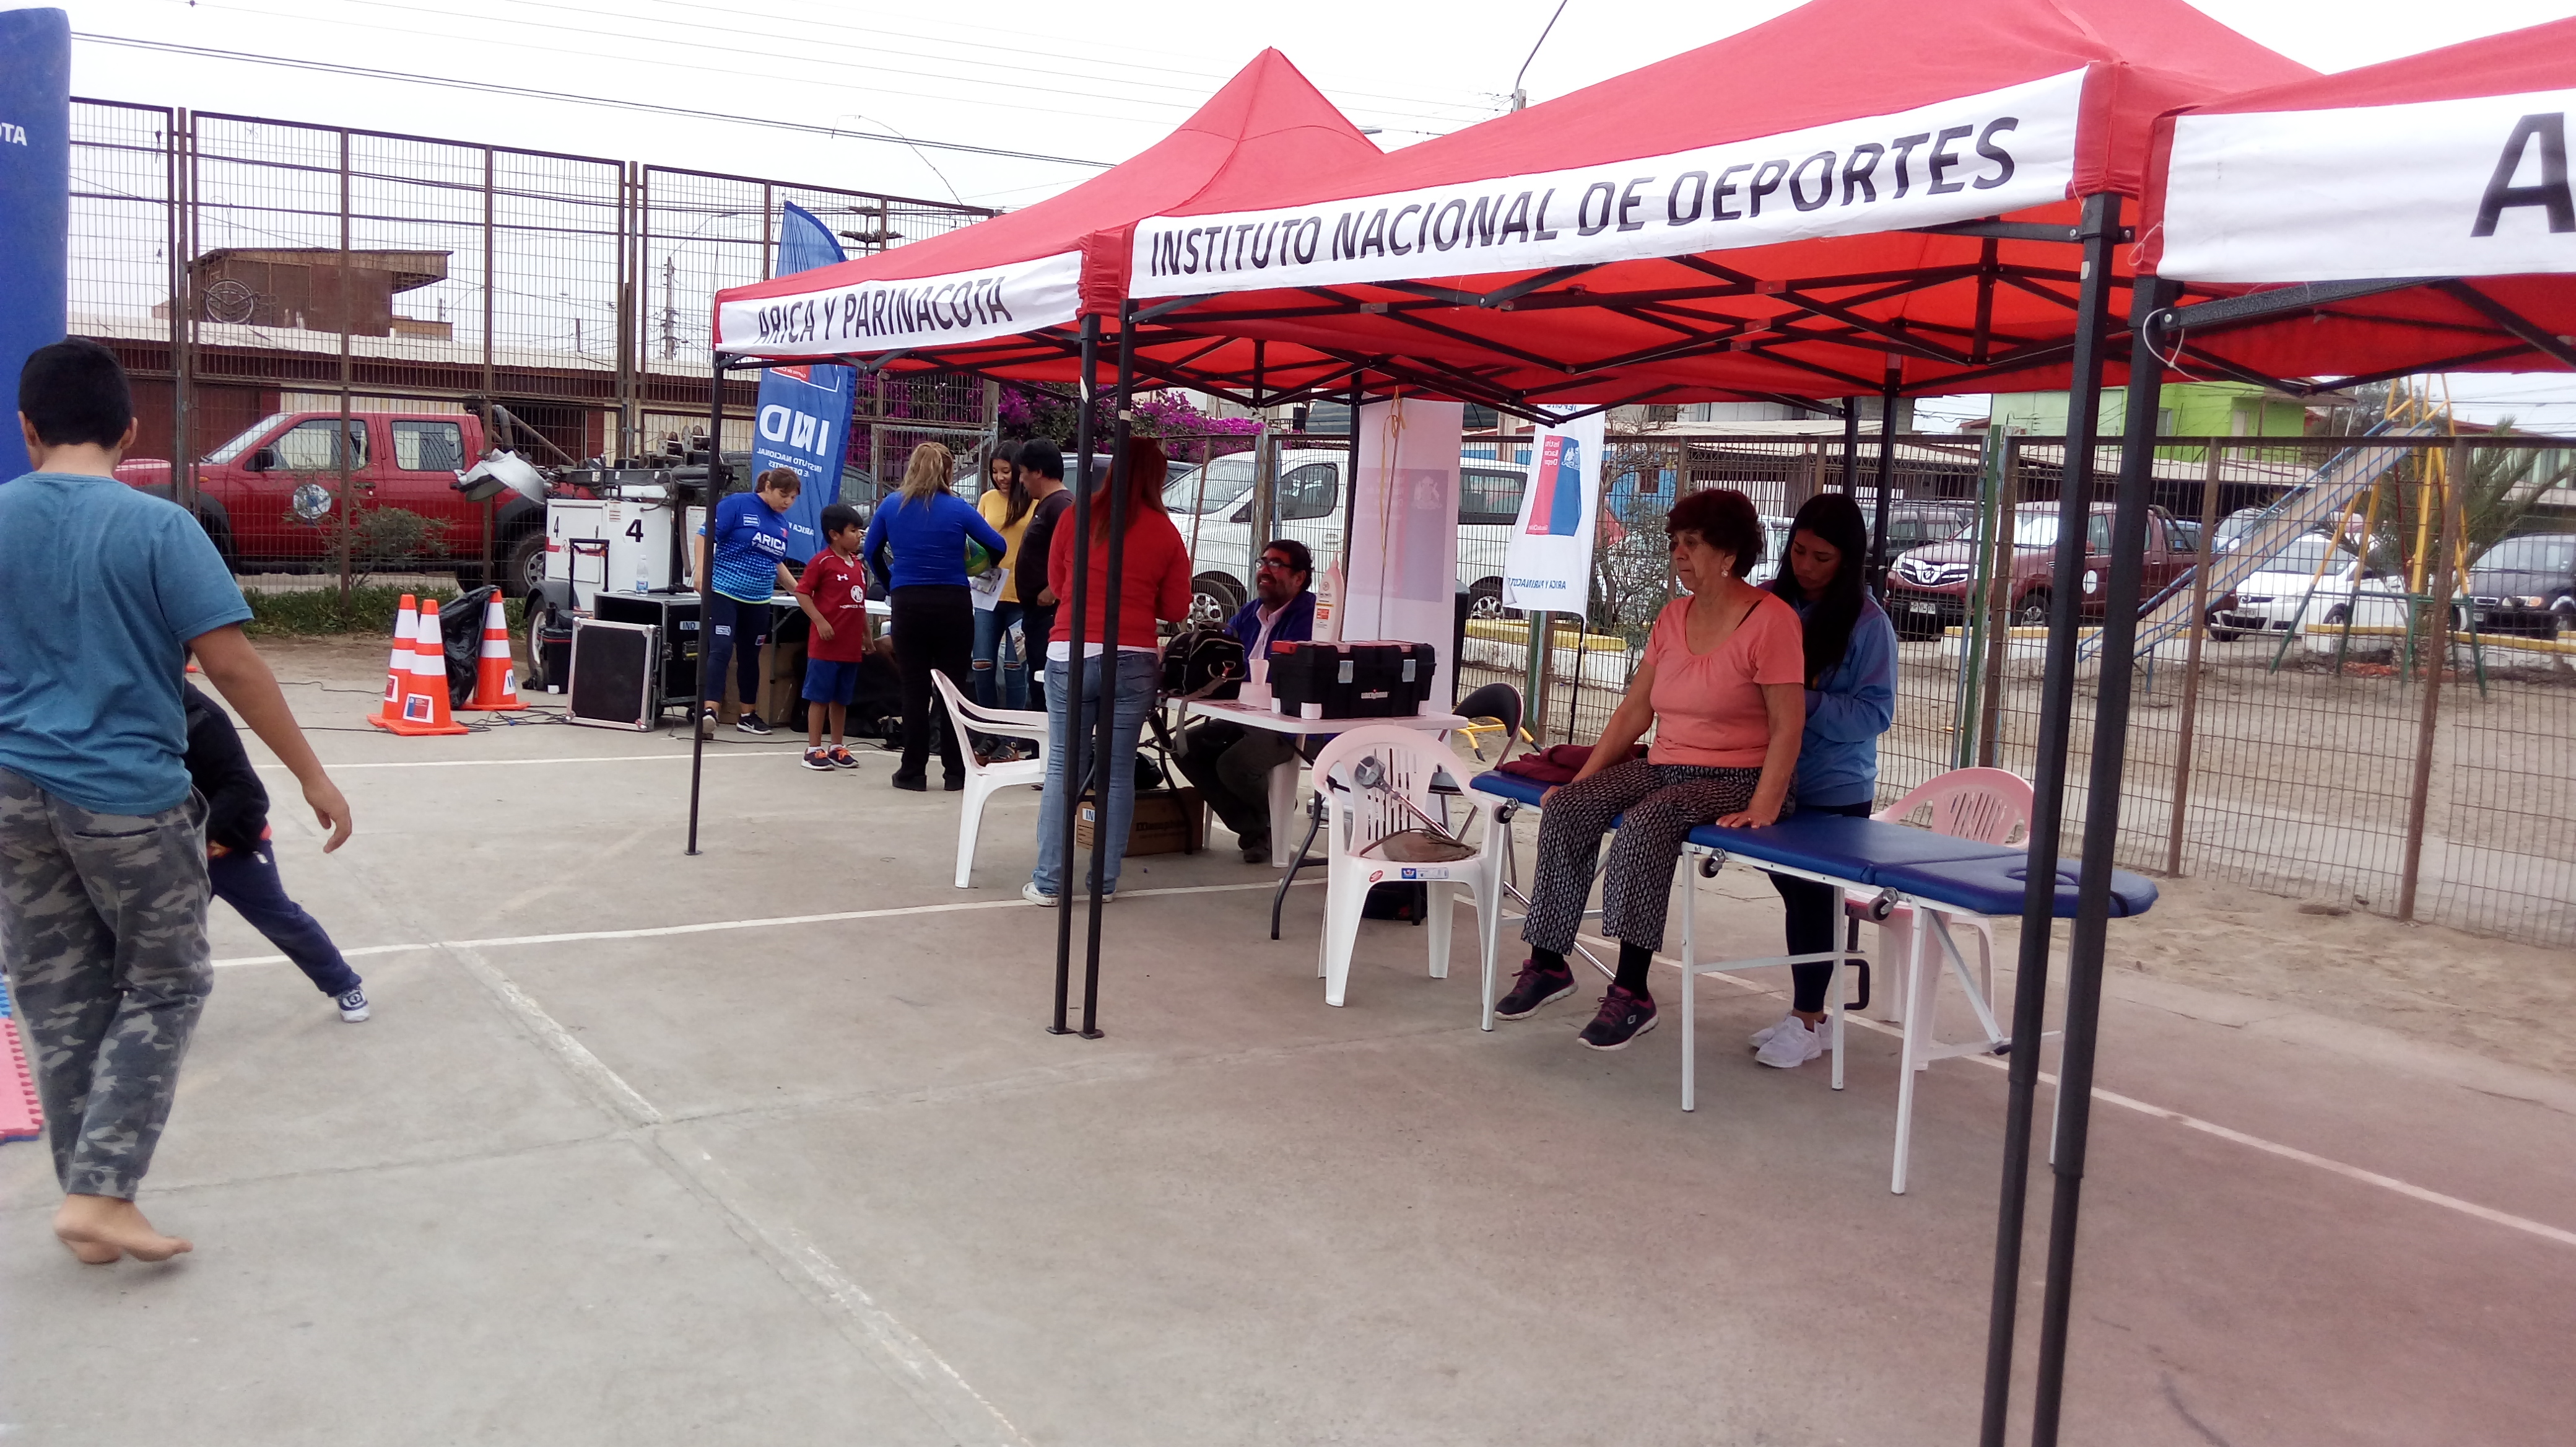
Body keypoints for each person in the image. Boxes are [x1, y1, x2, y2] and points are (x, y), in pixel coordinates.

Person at [1, 338, 354, 1264]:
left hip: (13, 798)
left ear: (27, 428)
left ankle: (90, 1198)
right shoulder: (159, 528)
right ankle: (100, 1194)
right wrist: (311, 774)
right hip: (127, 799)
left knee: (59, 993)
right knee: (167, 984)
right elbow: (231, 665)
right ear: (130, 430)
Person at [1492, 487, 1804, 1051]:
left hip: (1737, 778)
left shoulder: (1772, 621)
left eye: (1693, 543)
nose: (1679, 554)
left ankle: (1632, 991)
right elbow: (1635, 712)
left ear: (1729, 553)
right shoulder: (1673, 616)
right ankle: (1549, 963)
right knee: (1567, 808)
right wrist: (1582, 781)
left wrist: (1764, 805)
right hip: (1665, 764)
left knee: (1645, 826)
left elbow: (1788, 725)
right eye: (1675, 543)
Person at [1748, 494, 1898, 1068]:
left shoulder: (1869, 625)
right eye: (1799, 551)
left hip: (1834, 789)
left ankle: (1807, 1018)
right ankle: (1811, 1016)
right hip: (1768, 778)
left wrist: (1799, 703)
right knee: (1796, 892)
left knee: (1813, 897)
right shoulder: (1767, 601)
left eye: (1822, 557)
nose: (1806, 566)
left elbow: (1874, 714)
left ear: (1849, 560)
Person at [1026, 435, 1191, 906]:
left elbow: (1059, 585)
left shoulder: (1076, 516)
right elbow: (1176, 607)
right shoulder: (1165, 531)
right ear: (1158, 478)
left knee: (1064, 765)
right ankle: (1103, 882)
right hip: (1134, 656)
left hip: (1071, 651)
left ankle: (1049, 882)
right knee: (1117, 772)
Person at [183, 681, 369, 1021]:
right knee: (164, 933)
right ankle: (150, 1007)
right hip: (174, 851)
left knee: (282, 921)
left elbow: (243, 786)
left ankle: (344, 984)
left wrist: (199, 834)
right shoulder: (130, 713)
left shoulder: (202, 717)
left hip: (234, 848)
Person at [859, 441, 1007, 792]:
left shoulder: (892, 505)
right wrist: (980, 565)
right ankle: (955, 771)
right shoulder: (958, 508)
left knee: (914, 688)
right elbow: (998, 545)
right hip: (952, 601)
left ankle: (912, 771)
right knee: (952, 689)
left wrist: (891, 583)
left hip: (909, 601)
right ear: (947, 471)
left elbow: (871, 551)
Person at [1171, 538, 1315, 863]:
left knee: (1234, 764)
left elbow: (1291, 676)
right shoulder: (1251, 612)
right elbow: (1222, 653)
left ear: (1299, 578)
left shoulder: (1310, 616)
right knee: (1183, 748)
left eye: (1276, 564)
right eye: (1262, 562)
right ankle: (1257, 825)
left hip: (1290, 723)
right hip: (1244, 715)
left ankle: (1270, 815)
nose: (1265, 570)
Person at [694, 466, 801, 738]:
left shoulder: (781, 525)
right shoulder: (738, 504)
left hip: (759, 598)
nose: (787, 502)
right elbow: (704, 535)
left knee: (750, 655)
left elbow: (776, 563)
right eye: (783, 495)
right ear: (768, 487)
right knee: (720, 649)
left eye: (793, 498)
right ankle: (709, 711)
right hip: (725, 591)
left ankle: (748, 715)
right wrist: (701, 572)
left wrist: (800, 591)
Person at [794, 502, 872, 772]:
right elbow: (802, 593)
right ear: (835, 534)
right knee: (820, 697)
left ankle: (837, 746)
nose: (859, 535)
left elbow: (859, 604)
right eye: (853, 530)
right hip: (826, 647)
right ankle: (813, 749)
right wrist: (820, 621)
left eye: (860, 530)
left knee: (842, 698)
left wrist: (867, 635)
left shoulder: (858, 566)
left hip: (850, 647)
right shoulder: (822, 562)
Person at [971, 444, 1033, 751]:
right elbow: (974, 541)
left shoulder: (1034, 502)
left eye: (1006, 471)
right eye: (995, 472)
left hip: (1022, 598)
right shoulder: (987, 500)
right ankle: (989, 731)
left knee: (1014, 667)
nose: (1000, 478)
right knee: (981, 663)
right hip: (988, 595)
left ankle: (1013, 736)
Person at [1010, 438, 1073, 714]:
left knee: (1043, 682)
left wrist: (1053, 589)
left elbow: (1078, 552)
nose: (1021, 480)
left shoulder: (1061, 506)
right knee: (1036, 678)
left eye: (1024, 473)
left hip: (1049, 614)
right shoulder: (1047, 504)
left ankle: (1046, 737)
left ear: (1038, 472)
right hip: (1036, 613)